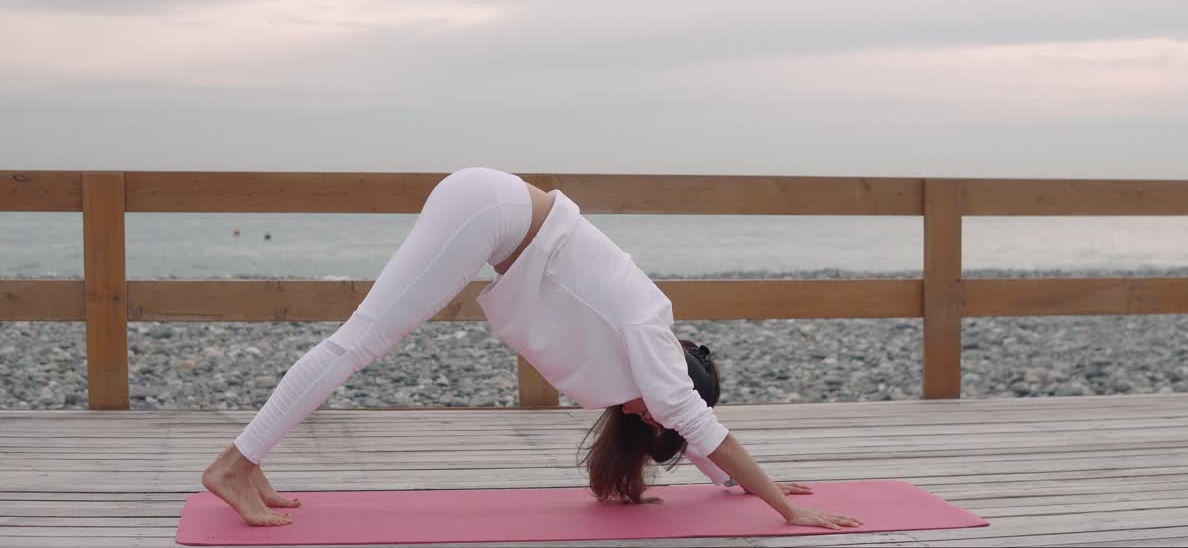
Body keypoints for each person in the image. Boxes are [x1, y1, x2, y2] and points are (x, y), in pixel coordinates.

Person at [201, 167, 862, 531]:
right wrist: (784, 506)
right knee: (363, 340)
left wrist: (735, 486)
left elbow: (693, 430)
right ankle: (234, 465)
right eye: (657, 418)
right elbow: (697, 424)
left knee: (364, 340)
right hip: (489, 210)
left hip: (493, 208)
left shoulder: (647, 355)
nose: (638, 418)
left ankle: (249, 461)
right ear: (673, 393)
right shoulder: (654, 340)